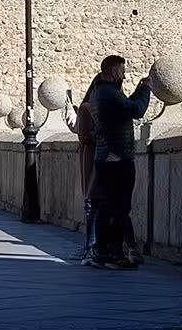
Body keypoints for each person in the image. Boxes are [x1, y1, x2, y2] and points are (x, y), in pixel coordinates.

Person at [88, 55, 151, 270]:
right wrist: (145, 89)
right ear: (113, 72)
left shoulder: (99, 93)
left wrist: (135, 93)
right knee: (118, 207)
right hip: (116, 157)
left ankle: (103, 252)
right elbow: (136, 110)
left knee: (107, 206)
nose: (124, 75)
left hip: (105, 156)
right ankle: (114, 253)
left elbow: (125, 107)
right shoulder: (108, 93)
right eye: (122, 71)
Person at [64, 76, 100, 265]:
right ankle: (93, 246)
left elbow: (75, 127)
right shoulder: (92, 108)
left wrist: (69, 109)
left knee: (92, 205)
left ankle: (92, 246)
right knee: (94, 206)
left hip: (93, 163)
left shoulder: (87, 108)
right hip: (97, 162)